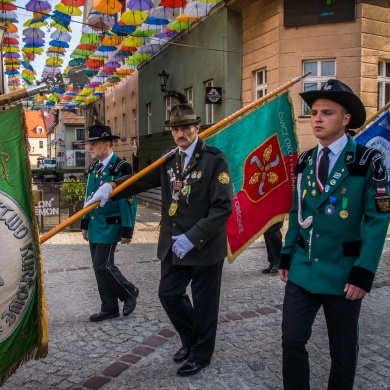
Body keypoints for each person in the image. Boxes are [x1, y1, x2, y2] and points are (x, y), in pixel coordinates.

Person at [85, 104, 233, 377]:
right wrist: (112, 187)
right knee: (168, 294)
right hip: (173, 245)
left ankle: (200, 354)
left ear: (196, 128)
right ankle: (189, 338)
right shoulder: (169, 159)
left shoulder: (214, 159)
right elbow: (139, 181)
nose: (181, 133)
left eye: (186, 128)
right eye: (176, 129)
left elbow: (223, 207)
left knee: (204, 304)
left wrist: (194, 237)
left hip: (204, 246)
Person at [278, 79, 390, 390]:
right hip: (303, 269)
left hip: (344, 274)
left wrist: (363, 272)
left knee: (342, 350)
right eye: (314, 112)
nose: (317, 118)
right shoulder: (304, 161)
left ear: (345, 119)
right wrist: (287, 254)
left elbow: (377, 219)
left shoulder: (368, 161)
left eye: (327, 112)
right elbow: (296, 211)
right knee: (292, 339)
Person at [81, 124, 139, 323]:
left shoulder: (121, 167)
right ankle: (109, 307)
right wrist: (85, 222)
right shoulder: (94, 168)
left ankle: (129, 291)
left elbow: (128, 199)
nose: (91, 148)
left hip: (111, 225)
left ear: (107, 144)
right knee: (99, 268)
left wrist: (127, 229)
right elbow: (89, 197)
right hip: (96, 225)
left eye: (94, 144)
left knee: (102, 265)